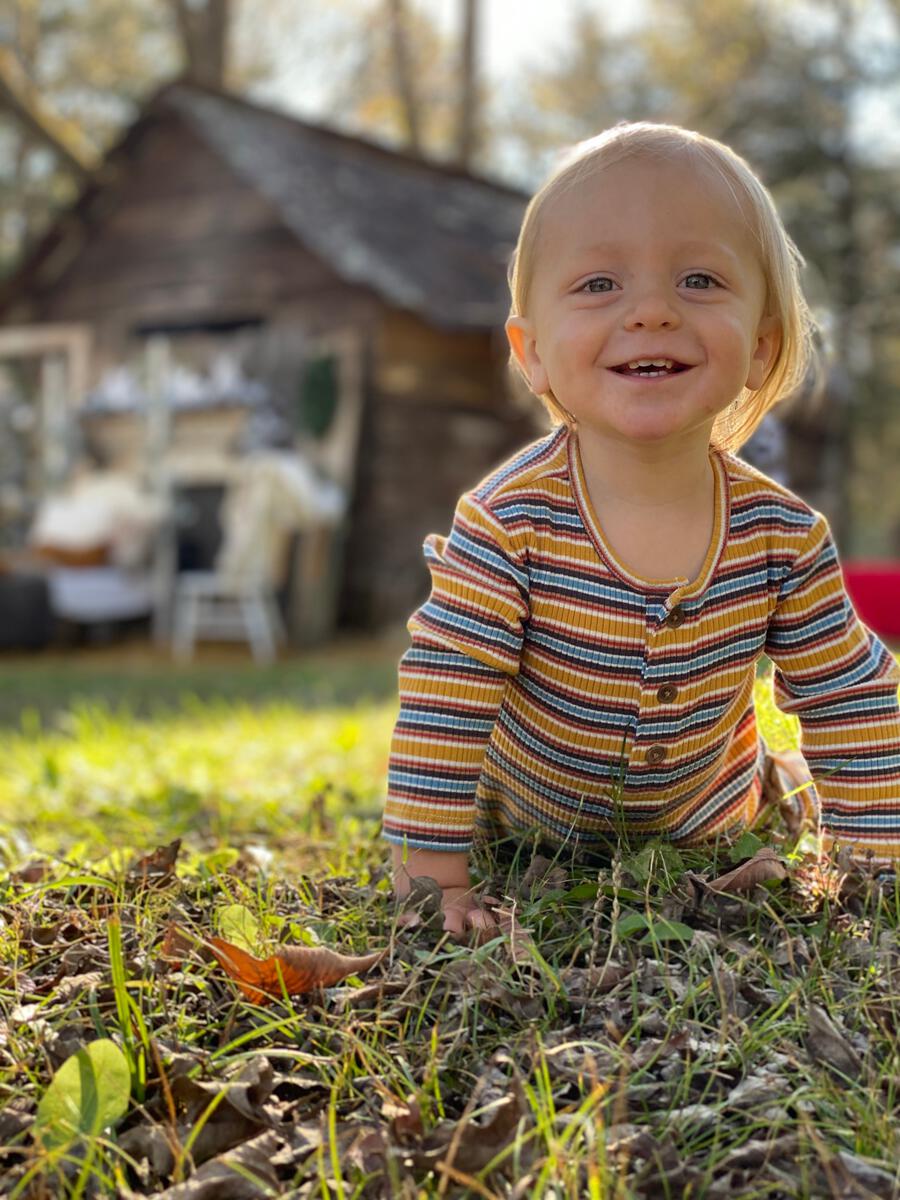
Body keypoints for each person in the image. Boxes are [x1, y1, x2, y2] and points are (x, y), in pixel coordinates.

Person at [382, 122, 900, 937]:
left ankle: (780, 782)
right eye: (597, 285)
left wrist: (872, 860)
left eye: (699, 279)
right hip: (528, 823)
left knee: (778, 787)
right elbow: (447, 697)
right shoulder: (508, 522)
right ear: (533, 352)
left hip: (714, 816)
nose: (652, 312)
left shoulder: (782, 538)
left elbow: (851, 691)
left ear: (762, 347)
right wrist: (434, 880)